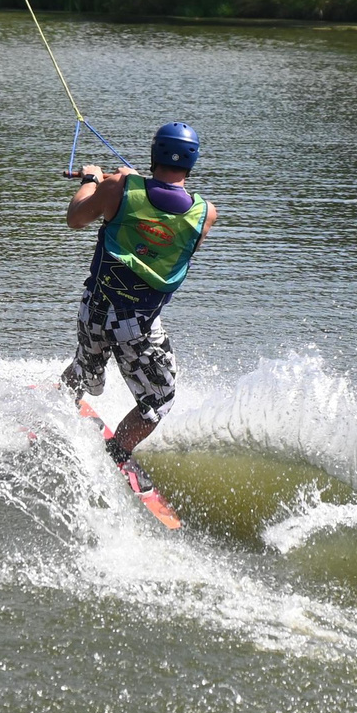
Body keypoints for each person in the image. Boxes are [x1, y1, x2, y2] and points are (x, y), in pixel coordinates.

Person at [61, 122, 214, 487]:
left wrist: (93, 179)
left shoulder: (118, 187)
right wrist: (128, 184)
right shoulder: (204, 214)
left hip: (93, 313)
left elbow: (75, 218)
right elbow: (164, 227)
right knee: (158, 399)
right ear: (192, 163)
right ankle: (115, 456)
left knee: (86, 368)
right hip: (140, 326)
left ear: (154, 153)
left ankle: (60, 400)